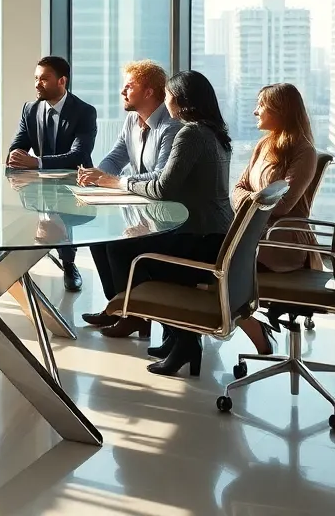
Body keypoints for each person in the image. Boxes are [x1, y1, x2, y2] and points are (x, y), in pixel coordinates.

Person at [80, 70, 234, 378]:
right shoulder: (216, 133)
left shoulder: (189, 134)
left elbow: (163, 187)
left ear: (180, 100)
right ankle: (172, 334)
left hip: (198, 239)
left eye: (169, 96)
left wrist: (119, 182)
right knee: (122, 244)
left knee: (126, 250)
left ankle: (151, 321)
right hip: (213, 235)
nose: (166, 101)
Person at [229, 83, 322, 354]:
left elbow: (282, 205)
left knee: (215, 270)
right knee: (204, 258)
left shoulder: (304, 151)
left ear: (280, 110)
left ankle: (255, 331)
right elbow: (237, 188)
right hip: (255, 234)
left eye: (261, 104)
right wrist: (257, 200)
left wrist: (252, 201)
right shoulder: (264, 144)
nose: (254, 110)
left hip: (281, 244)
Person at [76, 60, 180, 300]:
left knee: (117, 245)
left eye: (129, 87)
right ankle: (118, 306)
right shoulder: (132, 121)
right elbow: (116, 157)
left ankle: (132, 312)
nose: (122, 92)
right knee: (98, 241)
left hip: (163, 213)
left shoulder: (170, 125)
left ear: (149, 92)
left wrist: (112, 180)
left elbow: (159, 176)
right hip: (138, 207)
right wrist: (97, 175)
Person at [7, 55, 97, 292]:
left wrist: (36, 162)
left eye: (44, 79)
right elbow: (19, 142)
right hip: (40, 183)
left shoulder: (84, 112)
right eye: (36, 78)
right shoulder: (30, 108)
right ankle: (15, 266)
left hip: (74, 183)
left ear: (62, 81)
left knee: (60, 214)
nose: (37, 84)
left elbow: (79, 155)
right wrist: (14, 155)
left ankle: (69, 264)